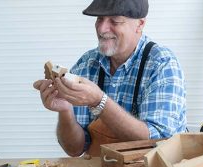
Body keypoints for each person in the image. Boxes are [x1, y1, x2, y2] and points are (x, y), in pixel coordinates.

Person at [33, 0, 186, 157]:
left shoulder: (162, 64)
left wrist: (99, 102)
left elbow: (159, 142)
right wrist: (65, 110)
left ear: (140, 24)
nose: (102, 28)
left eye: (115, 20)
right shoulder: (86, 64)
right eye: (99, 19)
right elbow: (75, 149)